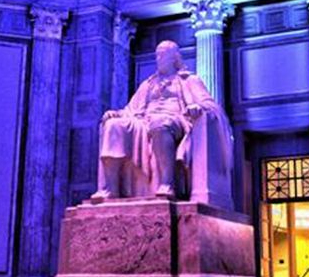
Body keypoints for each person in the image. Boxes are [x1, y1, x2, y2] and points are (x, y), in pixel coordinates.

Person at [93, 40, 231, 201]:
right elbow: (131, 109)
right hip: (144, 120)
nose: (158, 58)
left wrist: (197, 107)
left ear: (174, 58)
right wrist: (117, 114)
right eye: (157, 55)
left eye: (162, 55)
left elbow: (209, 104)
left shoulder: (188, 80)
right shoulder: (148, 83)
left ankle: (167, 184)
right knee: (113, 125)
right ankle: (111, 188)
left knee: (160, 124)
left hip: (176, 119)